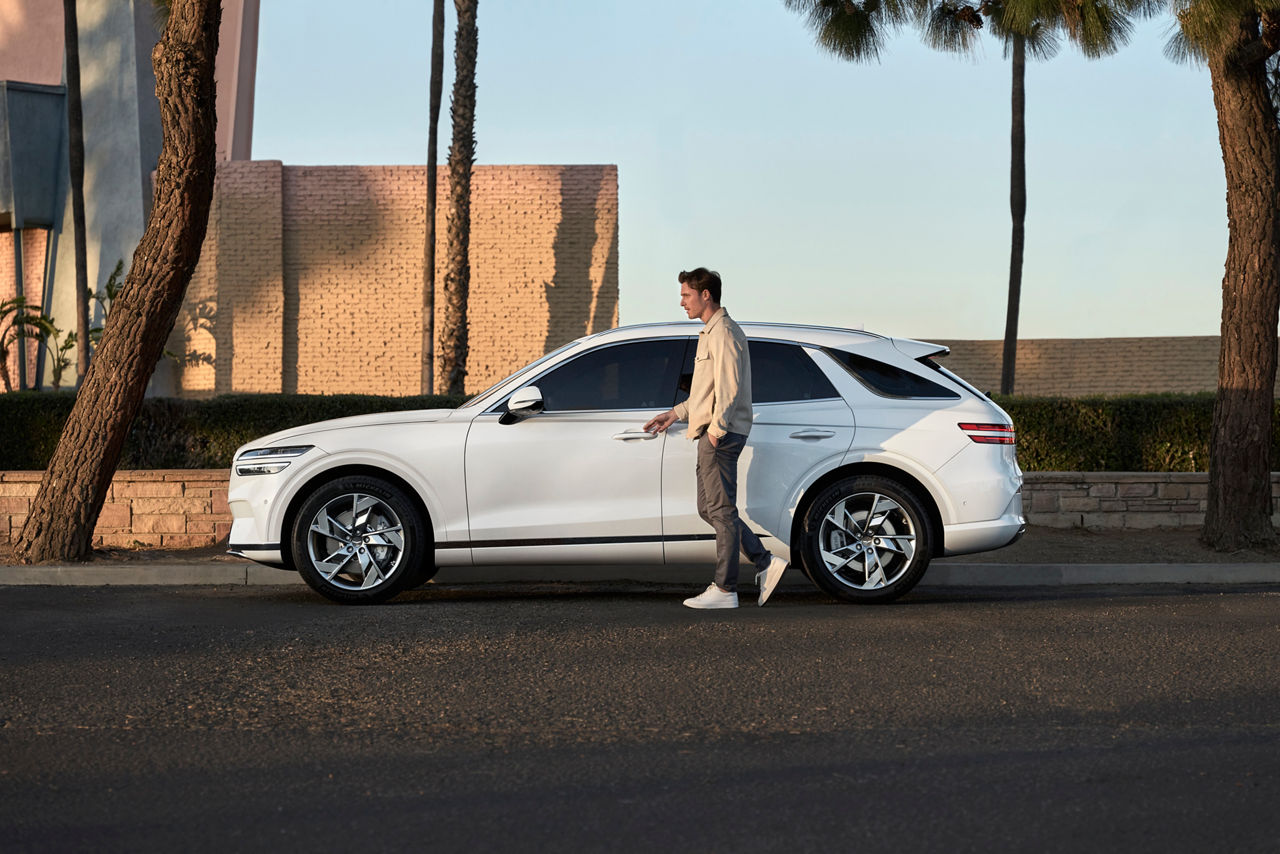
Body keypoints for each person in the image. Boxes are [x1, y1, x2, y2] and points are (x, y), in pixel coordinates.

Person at [643, 268, 789, 609]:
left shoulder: (724, 332)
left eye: (686, 295)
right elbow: (706, 391)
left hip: (720, 435)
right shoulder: (710, 333)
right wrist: (676, 413)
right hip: (712, 432)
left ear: (705, 294)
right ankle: (765, 562)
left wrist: (716, 431)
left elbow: (730, 388)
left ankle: (725, 590)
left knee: (721, 511)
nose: (682, 302)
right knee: (709, 508)